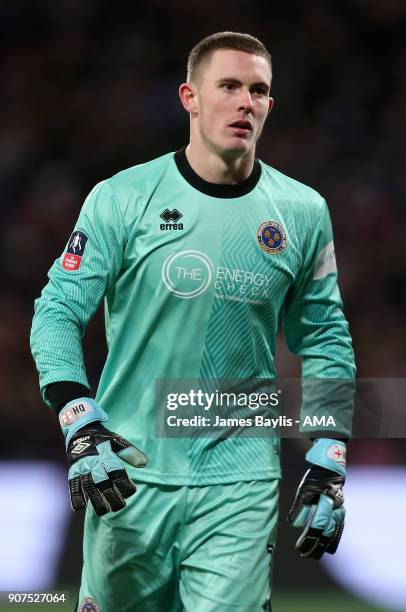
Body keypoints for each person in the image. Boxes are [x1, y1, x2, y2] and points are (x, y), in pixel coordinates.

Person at [30, 31, 355, 612]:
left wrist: (330, 449)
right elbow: (57, 310)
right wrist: (79, 419)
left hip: (241, 480)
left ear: (270, 106)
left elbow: (326, 336)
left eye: (258, 91)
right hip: (129, 475)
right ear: (191, 98)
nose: (244, 102)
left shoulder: (303, 212)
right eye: (228, 86)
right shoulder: (122, 198)